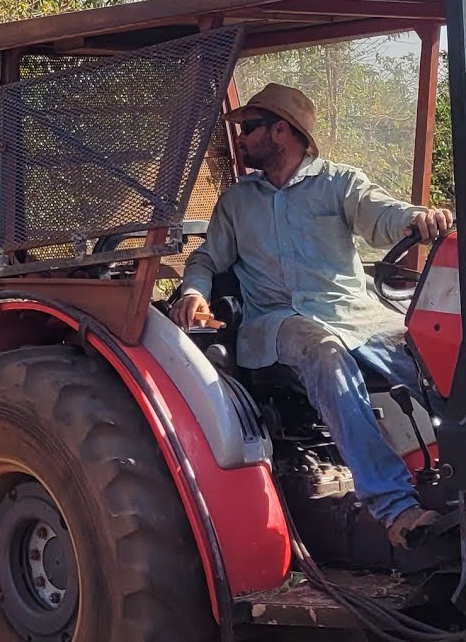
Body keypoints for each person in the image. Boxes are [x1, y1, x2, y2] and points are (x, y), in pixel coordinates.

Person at [170, 83, 455, 547]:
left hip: (356, 317)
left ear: (280, 131)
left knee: (438, 361)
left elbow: (381, 214)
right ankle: (396, 508)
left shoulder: (340, 183)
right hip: (279, 323)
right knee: (325, 352)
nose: (239, 138)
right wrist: (194, 291)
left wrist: (417, 218)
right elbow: (206, 259)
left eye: (249, 128)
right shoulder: (238, 202)